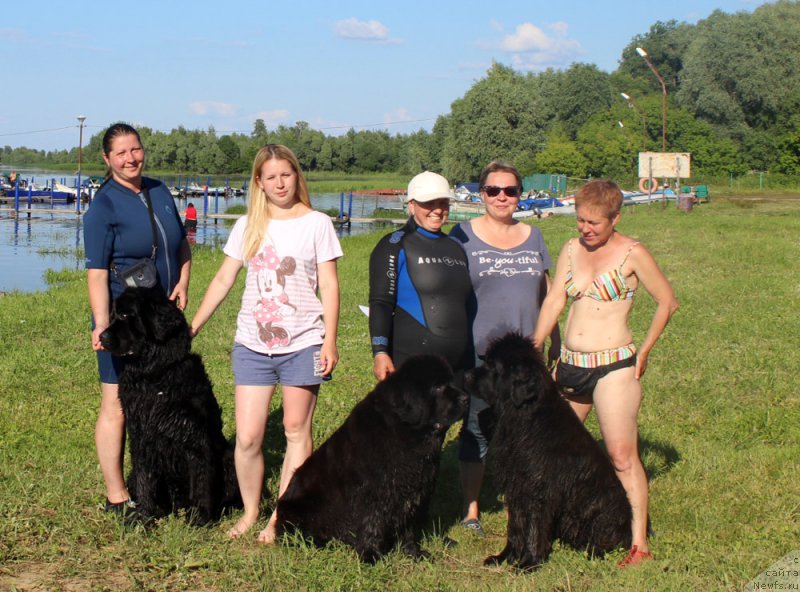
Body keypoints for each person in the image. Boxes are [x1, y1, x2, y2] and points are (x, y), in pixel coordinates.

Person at [190, 144, 341, 543]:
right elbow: (224, 279)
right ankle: (251, 511)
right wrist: (194, 326)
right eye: (271, 177)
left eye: (286, 175)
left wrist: (330, 341)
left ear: (297, 176)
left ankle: (279, 518)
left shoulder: (317, 223)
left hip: (304, 341)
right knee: (248, 437)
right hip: (252, 346)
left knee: (295, 430)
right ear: (258, 181)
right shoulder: (247, 226)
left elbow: (329, 283)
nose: (279, 183)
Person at [532, 179, 678, 568]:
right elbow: (555, 300)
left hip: (614, 365)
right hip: (571, 366)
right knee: (554, 452)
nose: (585, 229)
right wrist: (535, 346)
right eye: (580, 220)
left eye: (595, 223)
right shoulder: (569, 249)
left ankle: (639, 544)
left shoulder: (633, 253)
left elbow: (667, 302)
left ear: (616, 217)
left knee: (621, 456)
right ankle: (552, 527)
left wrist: (644, 352)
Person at [84, 123, 192, 514]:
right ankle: (117, 496)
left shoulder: (160, 191)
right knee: (117, 402)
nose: (131, 159)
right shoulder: (103, 207)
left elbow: (181, 245)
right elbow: (96, 272)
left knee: (161, 399)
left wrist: (182, 282)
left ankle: (159, 483)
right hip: (124, 321)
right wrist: (102, 324)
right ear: (107, 159)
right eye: (121, 154)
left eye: (136, 150)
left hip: (159, 321)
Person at [450, 160, 559, 537]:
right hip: (481, 354)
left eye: (510, 191)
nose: (502, 197)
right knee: (477, 428)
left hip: (527, 356)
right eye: (494, 190)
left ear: (520, 195)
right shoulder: (460, 235)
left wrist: (555, 342)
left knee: (525, 432)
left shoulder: (534, 236)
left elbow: (549, 294)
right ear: (481, 195)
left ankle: (521, 506)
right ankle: (471, 509)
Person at [368, 171, 473, 384]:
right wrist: (380, 352)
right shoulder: (393, 245)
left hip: (457, 364)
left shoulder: (456, 247)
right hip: (410, 361)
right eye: (429, 203)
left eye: (443, 203)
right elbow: (380, 303)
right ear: (411, 205)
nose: (437, 210)